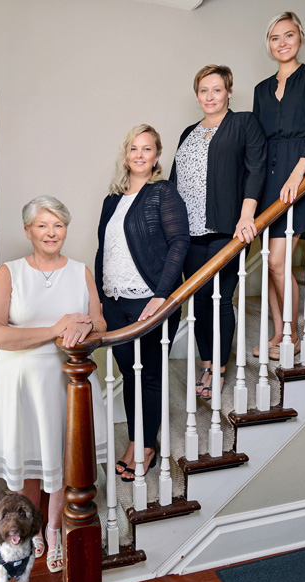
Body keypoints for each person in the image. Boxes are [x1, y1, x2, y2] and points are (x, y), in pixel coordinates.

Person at [0, 196, 107, 573]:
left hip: (67, 379)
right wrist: (55, 329)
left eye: (58, 225)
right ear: (28, 231)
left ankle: (54, 531)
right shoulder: (9, 272)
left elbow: (100, 323)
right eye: (42, 225)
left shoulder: (81, 271)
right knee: (30, 463)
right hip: (20, 383)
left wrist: (85, 324)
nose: (51, 232)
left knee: (64, 460)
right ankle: (34, 528)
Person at [95, 124, 189, 482]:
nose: (139, 154)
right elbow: (104, 251)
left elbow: (179, 242)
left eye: (147, 149)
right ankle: (136, 439)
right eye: (134, 148)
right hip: (115, 304)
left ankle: (146, 446)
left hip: (150, 301)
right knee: (129, 376)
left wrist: (161, 295)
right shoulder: (111, 200)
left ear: (157, 156)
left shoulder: (162, 192)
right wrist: (100, 300)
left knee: (148, 375)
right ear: (126, 154)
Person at [170, 64, 266, 397]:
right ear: (197, 96)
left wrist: (246, 215)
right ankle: (206, 364)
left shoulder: (243, 123)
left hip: (227, 230)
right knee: (197, 302)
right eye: (203, 90)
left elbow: (256, 169)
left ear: (228, 91)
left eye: (217, 89)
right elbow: (174, 183)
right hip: (187, 234)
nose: (210, 96)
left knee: (219, 298)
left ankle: (220, 368)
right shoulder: (188, 132)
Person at [253, 11, 305, 360]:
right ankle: (276, 334)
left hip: (299, 175)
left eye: (288, 35)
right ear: (268, 45)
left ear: (300, 37)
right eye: (275, 38)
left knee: (278, 263)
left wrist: (299, 175)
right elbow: (256, 142)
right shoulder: (260, 89)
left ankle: (292, 335)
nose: (282, 43)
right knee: (271, 262)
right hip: (267, 179)